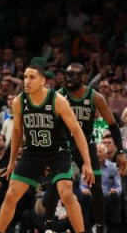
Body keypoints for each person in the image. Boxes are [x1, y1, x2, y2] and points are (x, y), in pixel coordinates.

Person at [0, 65, 95, 233]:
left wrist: (87, 162)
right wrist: (12, 161)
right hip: (32, 152)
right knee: (11, 194)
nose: (27, 81)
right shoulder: (19, 101)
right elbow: (18, 131)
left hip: (57, 151)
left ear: (43, 81)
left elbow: (77, 131)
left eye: (32, 77)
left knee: (66, 193)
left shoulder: (58, 101)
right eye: (25, 77)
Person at [43, 63, 127, 233]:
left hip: (87, 143)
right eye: (67, 75)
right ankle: (49, 226)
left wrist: (120, 151)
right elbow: (48, 125)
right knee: (55, 183)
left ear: (83, 78)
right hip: (65, 142)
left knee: (95, 186)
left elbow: (113, 125)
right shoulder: (59, 96)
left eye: (73, 75)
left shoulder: (95, 97)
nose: (69, 79)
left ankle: (100, 228)